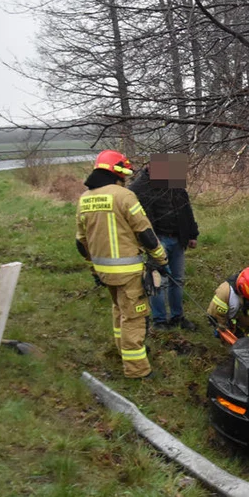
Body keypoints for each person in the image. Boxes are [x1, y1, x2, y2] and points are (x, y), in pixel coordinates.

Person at [75, 149, 169, 379]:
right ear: (116, 172)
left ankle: (123, 352)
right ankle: (137, 370)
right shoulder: (123, 196)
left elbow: (81, 242)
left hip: (104, 272)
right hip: (128, 272)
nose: (126, 178)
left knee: (118, 311)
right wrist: (161, 259)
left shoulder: (85, 199)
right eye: (124, 173)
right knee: (134, 318)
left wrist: (93, 267)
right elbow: (145, 232)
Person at [128, 153, 199, 331]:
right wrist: (152, 243)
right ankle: (160, 321)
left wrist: (192, 234)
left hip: (178, 238)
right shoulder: (139, 188)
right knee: (159, 282)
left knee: (178, 279)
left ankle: (177, 317)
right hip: (158, 240)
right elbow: (141, 220)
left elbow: (185, 209)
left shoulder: (173, 181)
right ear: (150, 167)